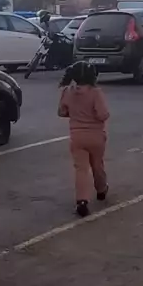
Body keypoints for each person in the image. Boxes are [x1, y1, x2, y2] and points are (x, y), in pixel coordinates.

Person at [58, 62, 109, 217]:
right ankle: (101, 189)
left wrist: (74, 113)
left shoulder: (67, 91)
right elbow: (103, 114)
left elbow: (61, 112)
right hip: (96, 136)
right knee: (97, 165)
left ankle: (82, 200)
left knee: (81, 169)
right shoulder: (96, 93)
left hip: (77, 137)